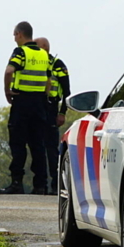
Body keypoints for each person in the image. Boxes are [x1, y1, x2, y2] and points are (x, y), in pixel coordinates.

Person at [0, 21, 50, 195]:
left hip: (22, 102)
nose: (14, 39)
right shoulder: (43, 54)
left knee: (18, 143)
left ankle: (17, 183)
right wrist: (44, 98)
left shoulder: (20, 52)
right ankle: (40, 185)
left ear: (19, 34)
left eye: (15, 35)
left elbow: (9, 71)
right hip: (39, 103)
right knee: (38, 145)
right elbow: (48, 80)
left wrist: (7, 91)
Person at [35, 37, 70, 195]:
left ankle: (56, 184)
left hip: (51, 109)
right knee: (37, 147)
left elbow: (67, 91)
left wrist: (62, 113)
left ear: (43, 47)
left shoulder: (57, 64)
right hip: (36, 108)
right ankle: (40, 185)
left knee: (51, 148)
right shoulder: (35, 63)